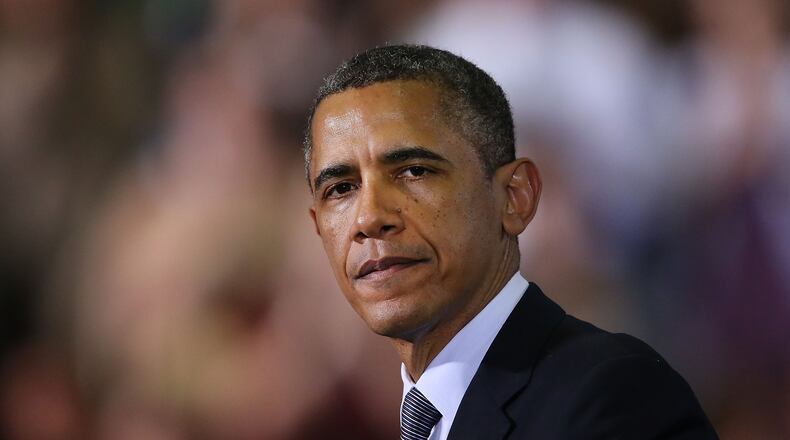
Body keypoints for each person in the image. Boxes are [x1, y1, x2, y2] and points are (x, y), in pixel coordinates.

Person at [304, 44, 718, 439]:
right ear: (318, 226)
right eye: (340, 188)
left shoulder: (612, 397)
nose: (369, 218)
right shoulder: (419, 417)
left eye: (415, 171)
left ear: (515, 197)